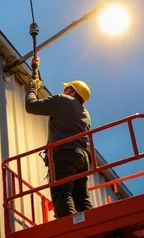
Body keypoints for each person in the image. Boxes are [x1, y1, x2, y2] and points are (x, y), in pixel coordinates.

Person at [24, 56, 93, 218]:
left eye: (66, 89)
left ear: (72, 92)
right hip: (82, 158)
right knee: (81, 199)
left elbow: (31, 106)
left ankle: (69, 226)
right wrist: (36, 71)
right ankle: (94, 224)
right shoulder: (85, 114)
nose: (63, 91)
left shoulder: (64, 101)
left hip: (64, 154)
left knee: (62, 193)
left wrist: (32, 89)